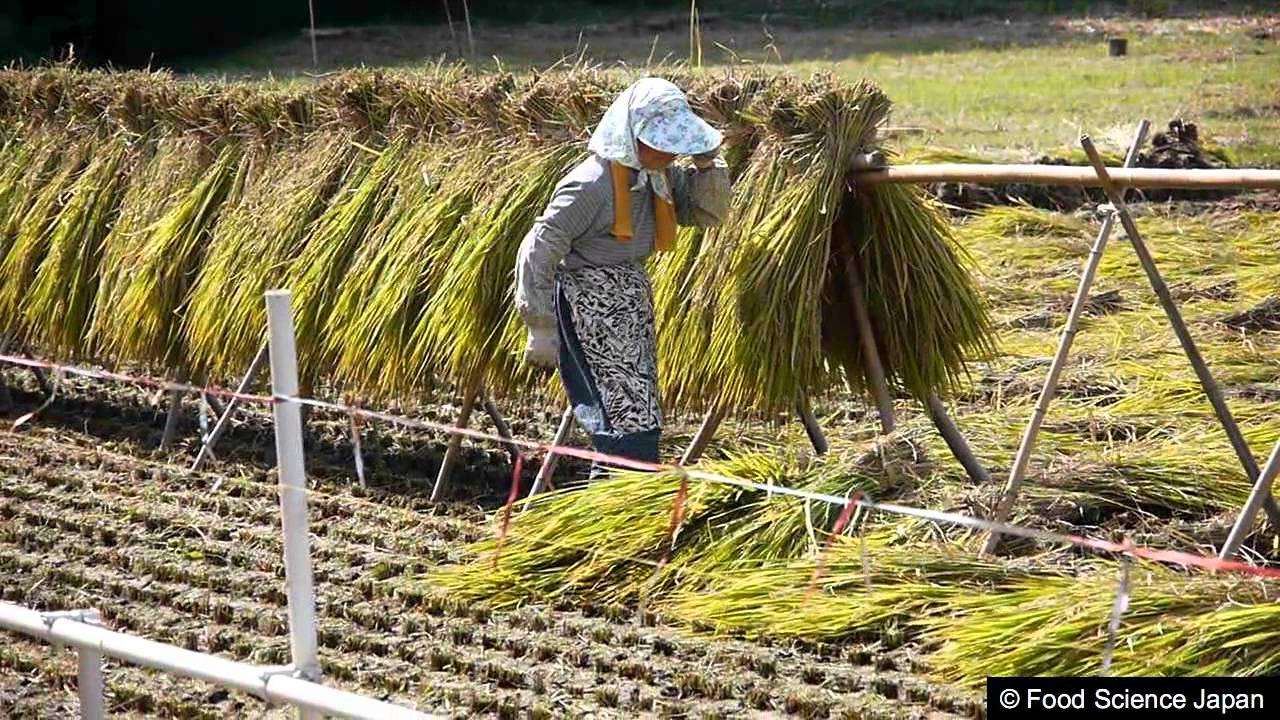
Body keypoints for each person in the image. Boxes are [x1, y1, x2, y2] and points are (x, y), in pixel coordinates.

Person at [514, 77, 731, 477]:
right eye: (658, 141)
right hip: (588, 304)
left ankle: (621, 506)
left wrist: (706, 164)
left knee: (638, 410)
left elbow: (706, 214)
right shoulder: (592, 186)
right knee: (618, 422)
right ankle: (613, 506)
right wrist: (540, 326)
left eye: (673, 142)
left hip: (629, 300)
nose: (667, 151)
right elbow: (538, 248)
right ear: (630, 134)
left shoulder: (656, 175)